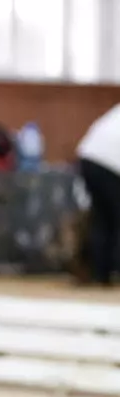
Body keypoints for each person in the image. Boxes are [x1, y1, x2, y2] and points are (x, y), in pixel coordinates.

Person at [76, 104, 120, 286]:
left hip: (88, 157)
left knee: (102, 219)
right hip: (110, 163)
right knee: (114, 219)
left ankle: (100, 274)